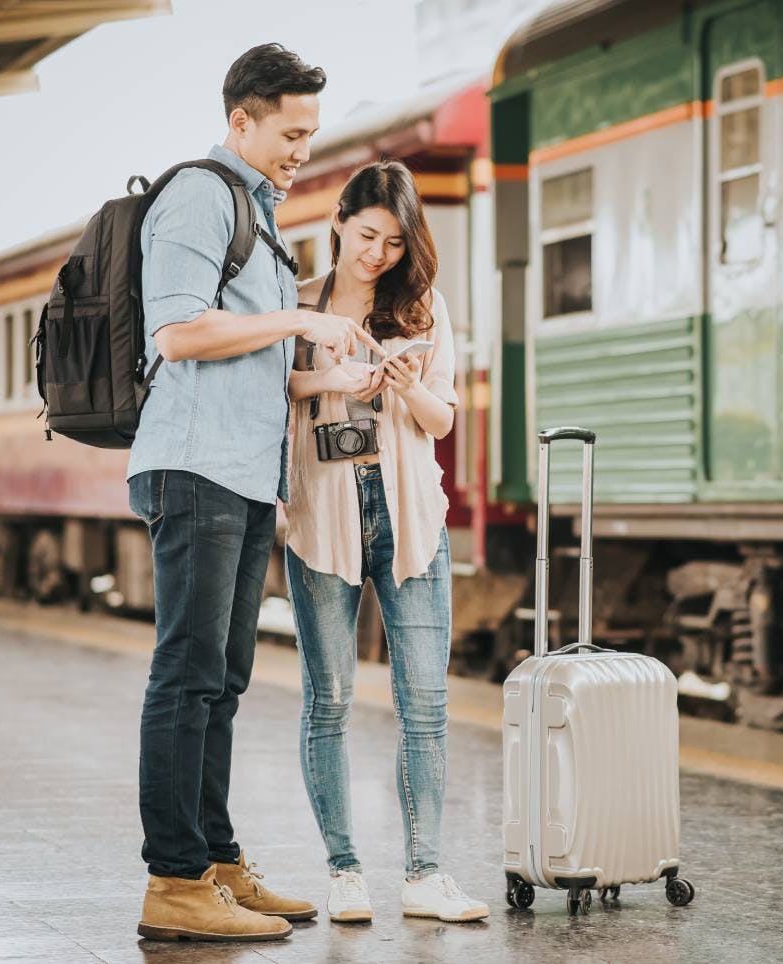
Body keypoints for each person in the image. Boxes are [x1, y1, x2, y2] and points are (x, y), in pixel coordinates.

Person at [126, 43, 380, 943]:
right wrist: (301, 316)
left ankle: (217, 863)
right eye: (291, 130)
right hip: (194, 464)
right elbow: (181, 331)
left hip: (239, 470)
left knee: (223, 679)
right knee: (187, 674)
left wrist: (338, 366)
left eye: (313, 132)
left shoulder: (260, 216)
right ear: (242, 118)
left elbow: (257, 362)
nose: (304, 148)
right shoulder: (199, 194)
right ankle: (175, 880)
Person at [285, 160, 488, 924]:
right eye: (367, 235)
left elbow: (441, 422)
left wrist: (402, 381)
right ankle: (344, 870)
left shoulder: (424, 306)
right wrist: (326, 375)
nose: (378, 254)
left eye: (395, 243)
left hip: (410, 516)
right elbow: (275, 391)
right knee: (330, 699)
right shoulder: (298, 305)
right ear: (338, 221)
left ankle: (426, 874)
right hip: (324, 514)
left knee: (426, 703)